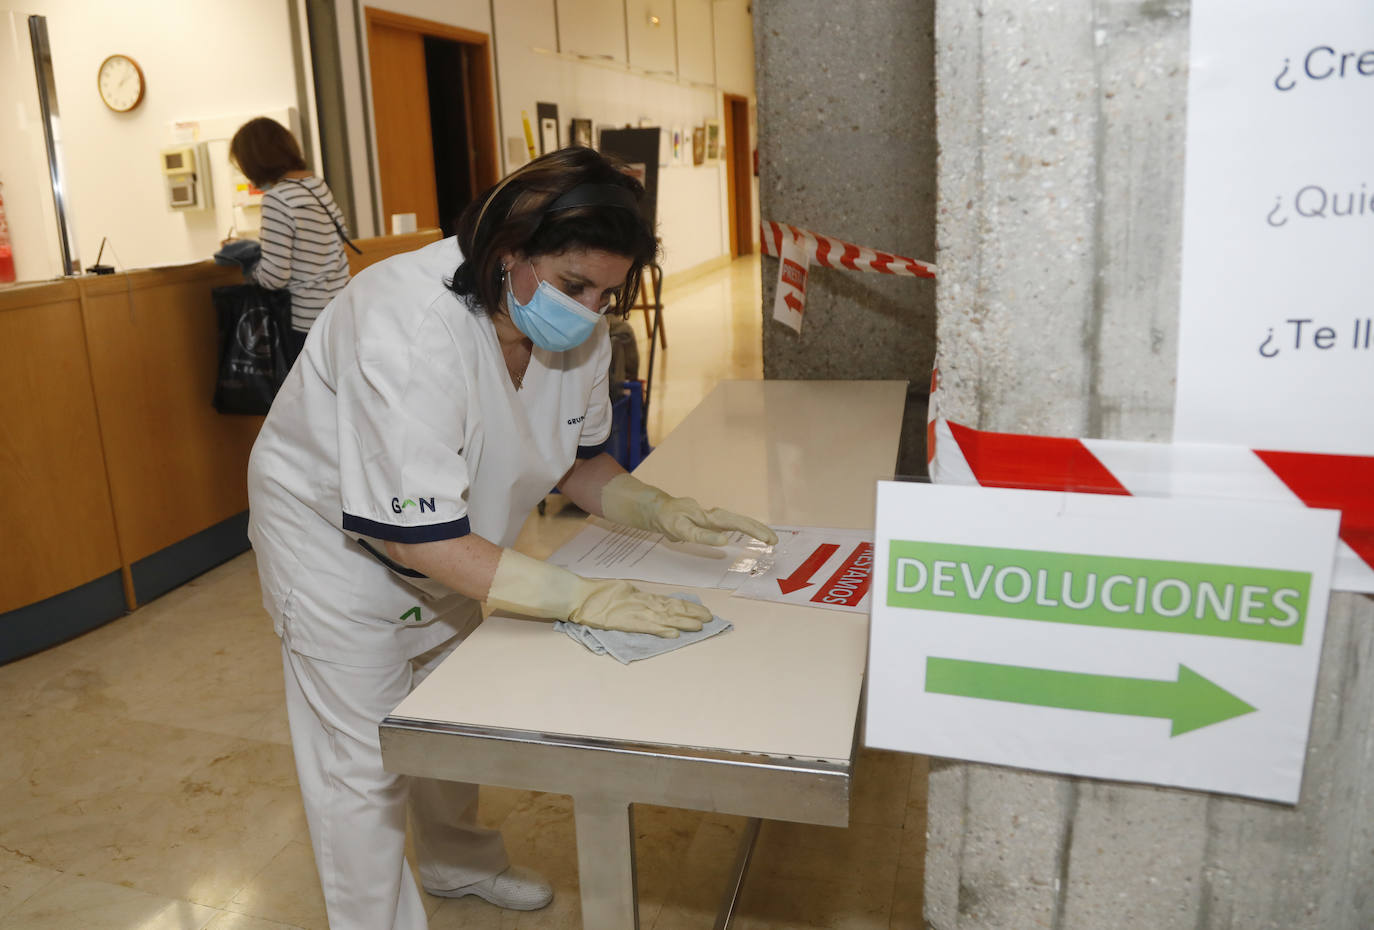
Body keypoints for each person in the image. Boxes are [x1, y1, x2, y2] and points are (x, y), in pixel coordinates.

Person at [245, 146, 777, 930]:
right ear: (507, 254)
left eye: (608, 292)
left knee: (446, 716)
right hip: (334, 551)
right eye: (574, 285)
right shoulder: (405, 324)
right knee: (363, 766)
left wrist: (662, 510)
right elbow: (412, 538)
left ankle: (460, 865)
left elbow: (576, 461)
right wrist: (579, 596)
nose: (591, 309)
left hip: (456, 537)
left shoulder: (580, 334)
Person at [229, 117, 352, 362]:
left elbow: (275, 276)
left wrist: (248, 267)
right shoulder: (316, 185)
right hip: (342, 308)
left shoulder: (277, 199)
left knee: (309, 397)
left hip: (307, 321)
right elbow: (342, 235)